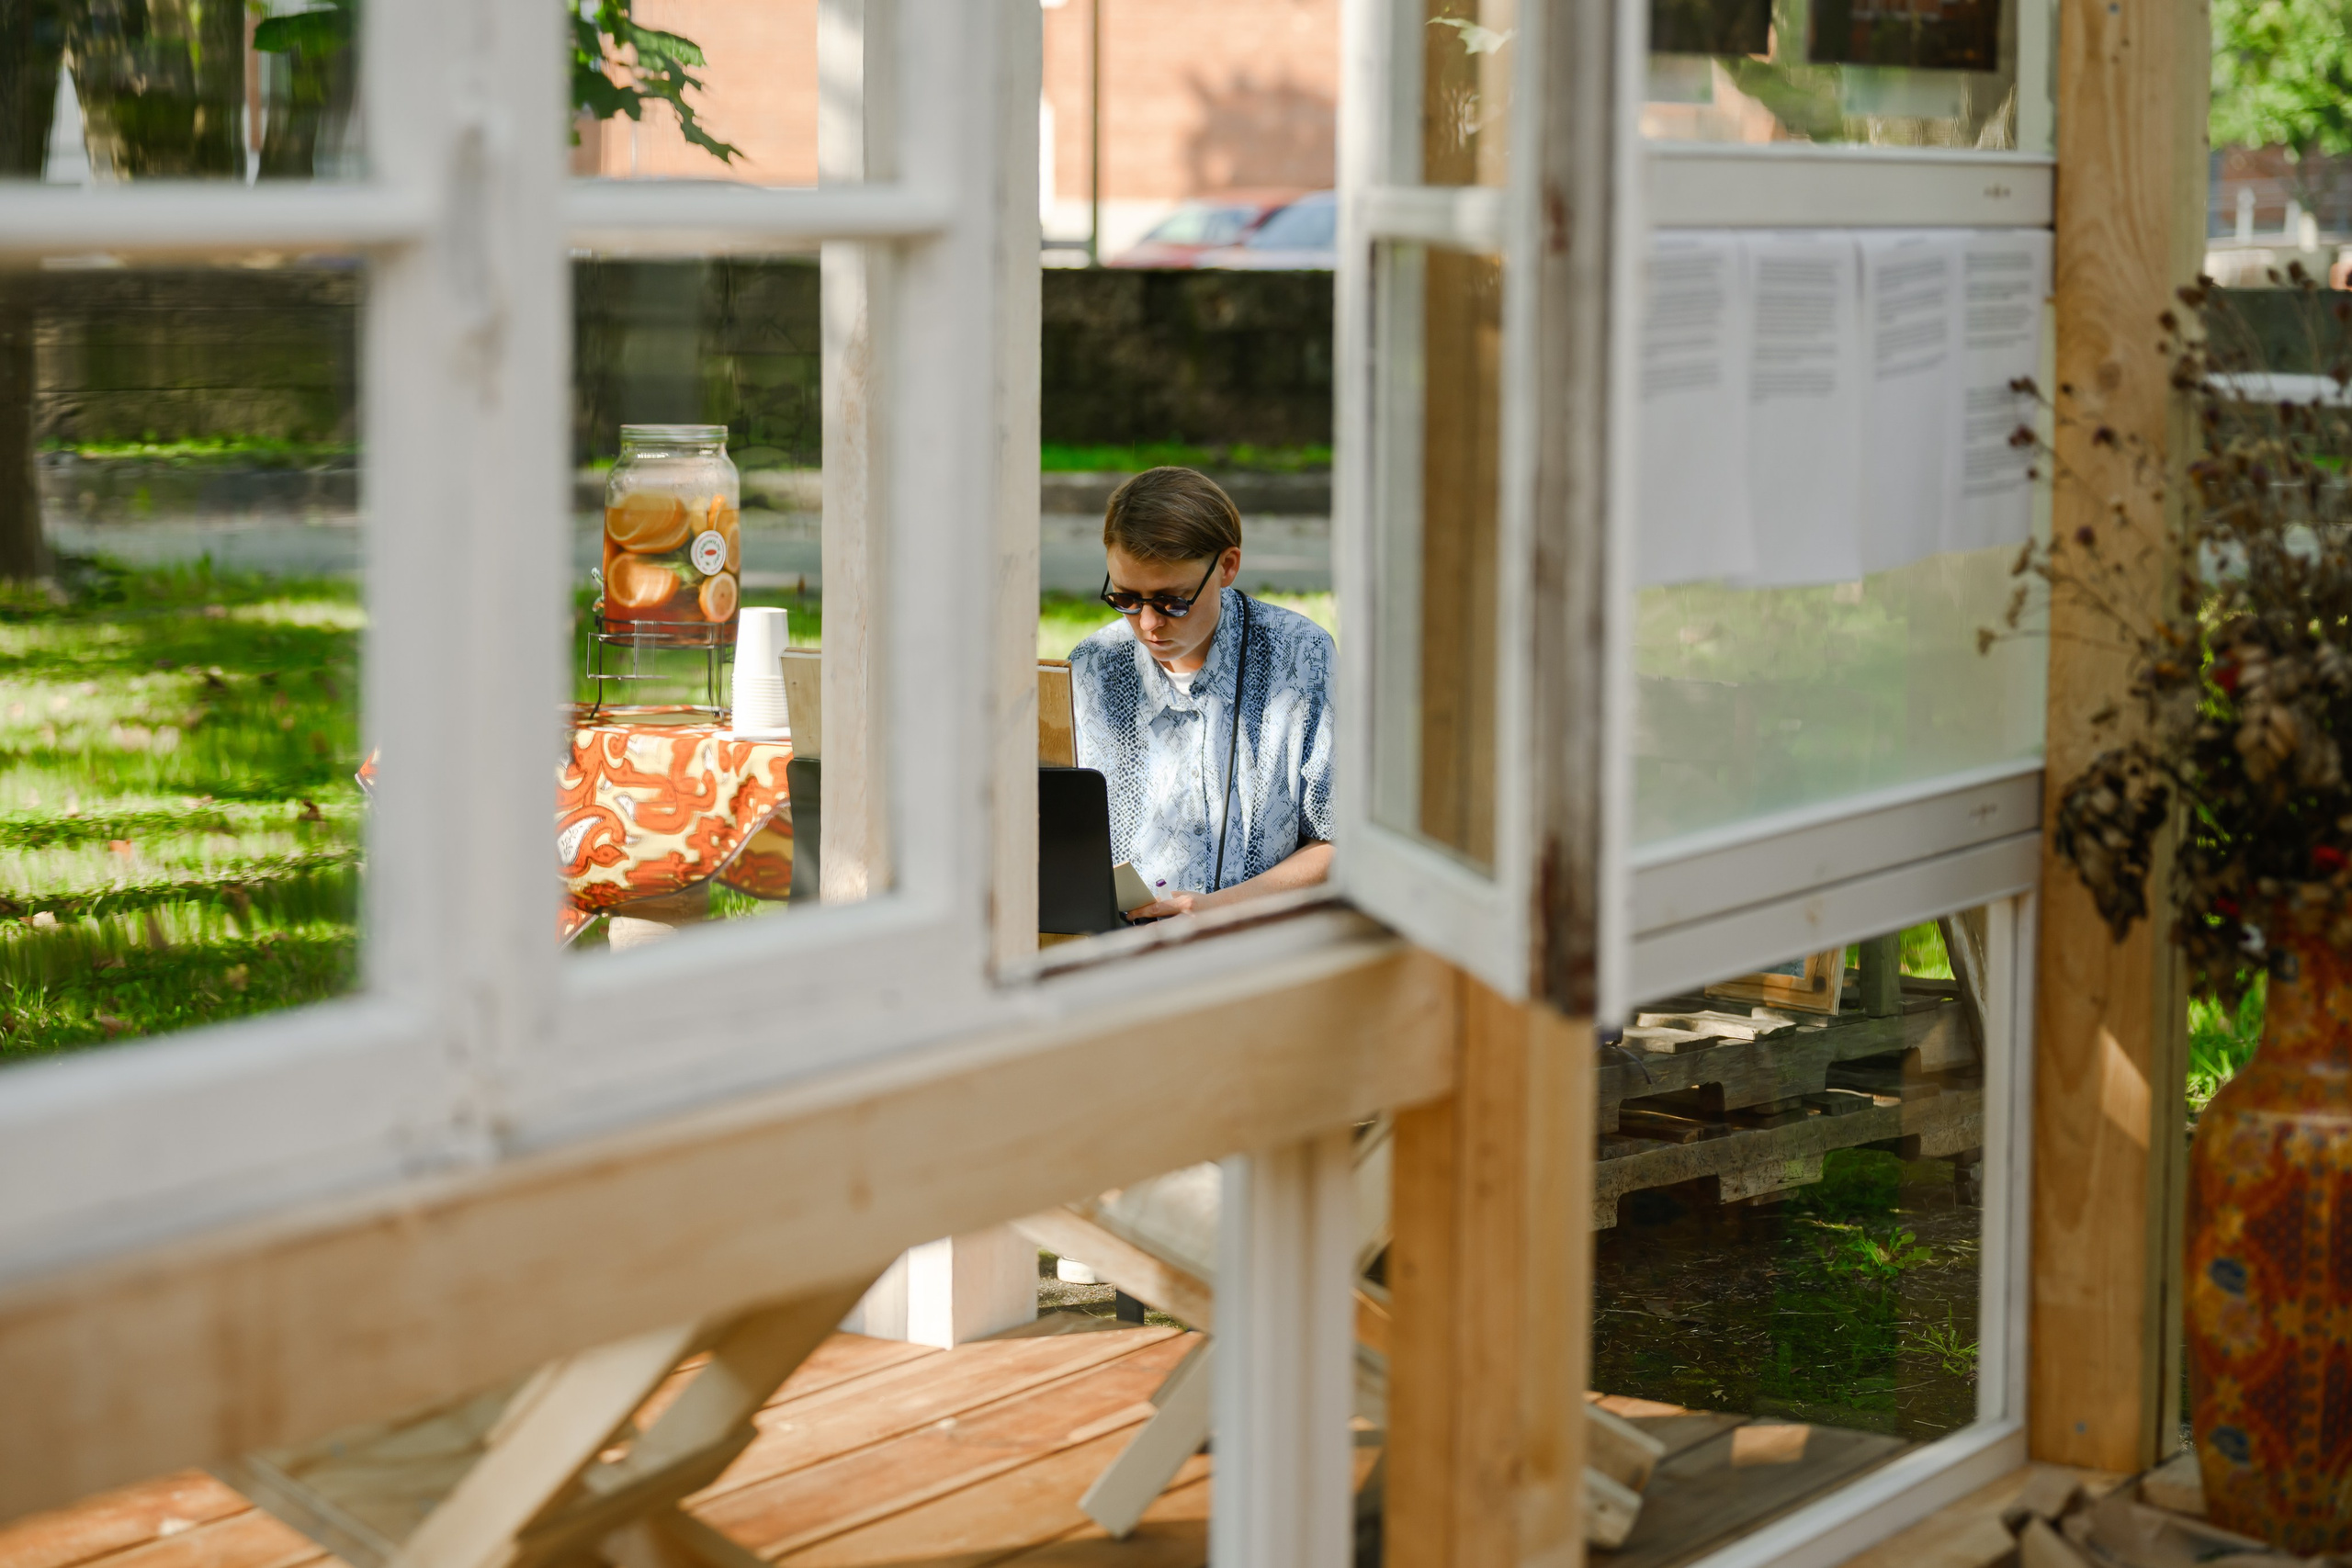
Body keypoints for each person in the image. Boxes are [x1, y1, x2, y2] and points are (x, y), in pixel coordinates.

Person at [1068, 466, 1334, 919]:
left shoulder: (1301, 654)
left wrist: (1219, 908)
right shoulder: (1090, 665)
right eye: (1126, 599)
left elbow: (1342, 841)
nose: (1149, 625)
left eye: (1173, 600)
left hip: (1256, 955)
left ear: (1227, 566)